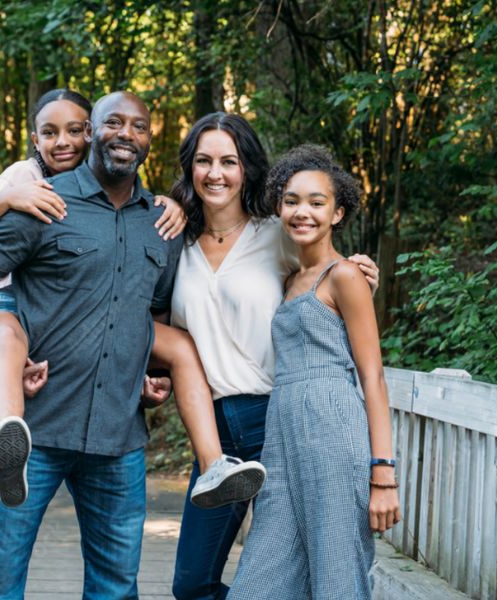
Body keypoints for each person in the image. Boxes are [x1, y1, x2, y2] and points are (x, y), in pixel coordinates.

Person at [0, 91, 181, 599]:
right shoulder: (43, 200)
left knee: (116, 591)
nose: (126, 134)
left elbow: (153, 313)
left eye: (138, 126)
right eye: (113, 123)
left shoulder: (162, 223)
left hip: (119, 439)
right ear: (93, 131)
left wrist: (146, 373)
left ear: (149, 139)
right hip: (34, 432)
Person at [167, 114, 381, 599]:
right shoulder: (174, 243)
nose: (215, 173)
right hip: (216, 433)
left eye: (229, 161)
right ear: (190, 168)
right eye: (204, 161)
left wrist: (364, 276)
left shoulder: (276, 232)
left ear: (247, 169)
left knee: (300, 567)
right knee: (192, 582)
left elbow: (328, 274)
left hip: (280, 417)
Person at [227, 144, 401, 599]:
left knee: (337, 577)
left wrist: (383, 474)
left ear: (338, 213)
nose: (302, 212)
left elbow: (373, 377)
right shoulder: (288, 279)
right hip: (282, 439)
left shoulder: (344, 276)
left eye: (317, 202)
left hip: (333, 433)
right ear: (279, 207)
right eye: (292, 201)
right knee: (257, 583)